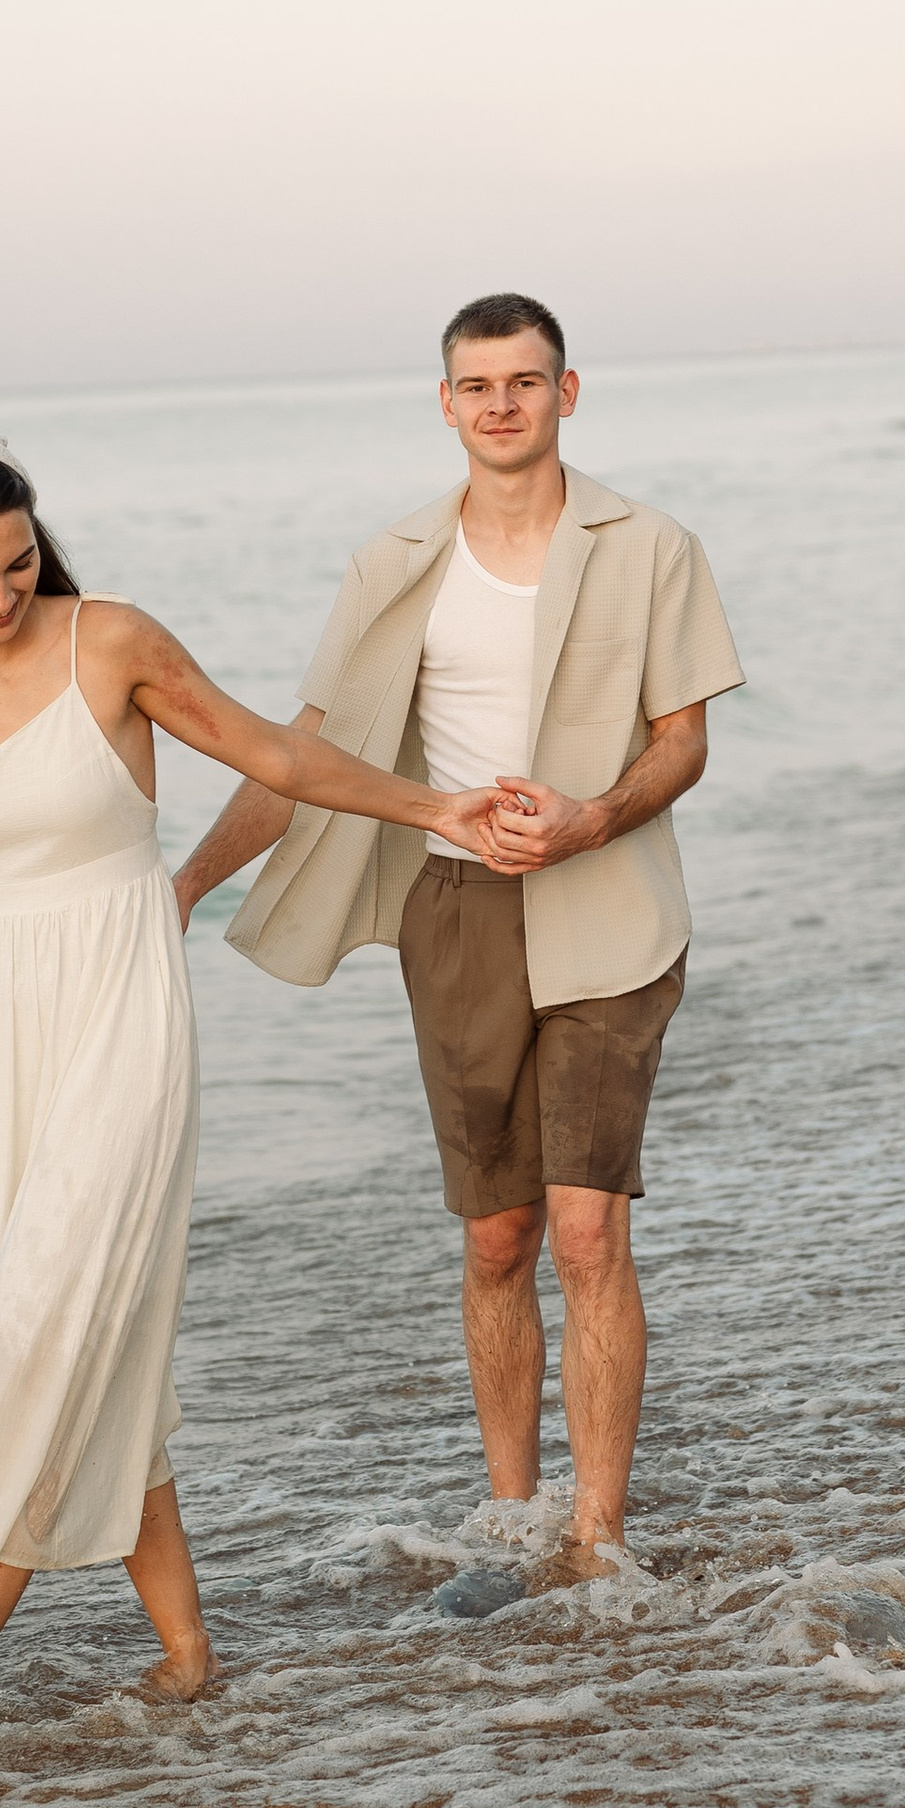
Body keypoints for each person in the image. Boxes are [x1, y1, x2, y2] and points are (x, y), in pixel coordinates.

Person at [0, 431, 502, 1778]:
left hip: (120, 1002)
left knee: (49, 1328)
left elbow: (277, 761)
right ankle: (190, 1657)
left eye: (15, 564)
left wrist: (443, 809)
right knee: (55, 1325)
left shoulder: (109, 640)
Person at [173, 296, 742, 1580]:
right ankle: (512, 1514)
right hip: (458, 911)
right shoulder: (393, 563)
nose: (501, 403)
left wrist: (593, 815)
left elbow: (686, 739)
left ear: (567, 391)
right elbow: (300, 747)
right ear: (445, 401)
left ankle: (597, 1536)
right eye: (476, 383)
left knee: (589, 1227)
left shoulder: (649, 544)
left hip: (611, 909)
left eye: (524, 381)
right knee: (499, 1235)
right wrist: (186, 882)